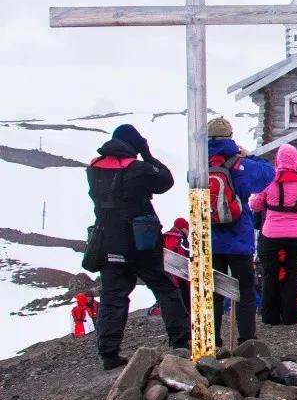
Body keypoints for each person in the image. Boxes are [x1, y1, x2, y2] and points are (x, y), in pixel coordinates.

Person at [86, 123, 190, 369]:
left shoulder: (94, 168)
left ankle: (109, 353)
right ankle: (180, 341)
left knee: (112, 297)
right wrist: (147, 153)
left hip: (107, 242)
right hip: (141, 243)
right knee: (165, 289)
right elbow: (166, 180)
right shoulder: (138, 169)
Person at [206, 117, 275, 345]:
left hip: (210, 237)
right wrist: (249, 155)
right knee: (244, 290)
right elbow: (269, 173)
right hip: (238, 238)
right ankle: (246, 340)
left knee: (213, 291)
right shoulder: (239, 164)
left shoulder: (199, 163)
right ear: (230, 136)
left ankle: (213, 341)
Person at [249, 143, 297, 326]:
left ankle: (270, 317)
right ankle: (290, 317)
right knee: (291, 274)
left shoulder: (269, 180)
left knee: (270, 274)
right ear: (296, 160)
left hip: (271, 233)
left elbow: (255, 204)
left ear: (278, 159)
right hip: (296, 234)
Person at [162, 217, 191, 313]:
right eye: (188, 229)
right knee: (186, 303)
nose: (188, 233)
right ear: (183, 228)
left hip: (165, 275)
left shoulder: (165, 237)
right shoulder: (181, 239)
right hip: (180, 277)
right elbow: (188, 255)